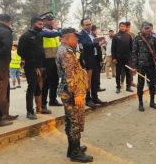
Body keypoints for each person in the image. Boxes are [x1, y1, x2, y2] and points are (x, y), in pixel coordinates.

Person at [56, 28, 93, 163]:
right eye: (75, 37)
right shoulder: (66, 53)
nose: (77, 39)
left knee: (71, 121)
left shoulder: (65, 50)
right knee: (76, 122)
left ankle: (72, 148)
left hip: (68, 91)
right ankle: (75, 153)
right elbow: (69, 76)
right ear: (67, 37)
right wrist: (77, 93)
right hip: (71, 93)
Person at [18, 16, 52, 120]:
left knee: (39, 87)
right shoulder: (25, 36)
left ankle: (40, 108)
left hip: (41, 65)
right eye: (40, 24)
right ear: (33, 24)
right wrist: (31, 58)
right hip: (31, 66)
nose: (42, 26)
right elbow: (20, 52)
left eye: (42, 24)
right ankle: (30, 111)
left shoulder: (39, 35)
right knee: (31, 88)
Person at [78, 18, 107, 108]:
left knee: (95, 79)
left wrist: (100, 59)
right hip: (87, 59)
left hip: (96, 59)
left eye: (90, 24)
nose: (89, 26)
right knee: (88, 80)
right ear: (82, 26)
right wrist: (98, 43)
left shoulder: (93, 34)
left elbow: (97, 47)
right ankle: (88, 99)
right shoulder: (81, 35)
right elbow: (85, 45)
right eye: (86, 24)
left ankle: (95, 97)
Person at [132, 22, 156, 111]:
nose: (147, 29)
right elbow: (134, 53)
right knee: (140, 84)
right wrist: (134, 66)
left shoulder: (152, 39)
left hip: (151, 65)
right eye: (145, 28)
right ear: (141, 28)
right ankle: (140, 103)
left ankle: (152, 102)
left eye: (148, 28)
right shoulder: (137, 39)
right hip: (141, 65)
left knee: (152, 83)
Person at [40, 12, 63, 109]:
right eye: (49, 19)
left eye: (52, 19)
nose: (51, 21)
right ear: (44, 20)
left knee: (55, 80)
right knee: (46, 82)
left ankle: (53, 99)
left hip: (55, 59)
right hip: (46, 59)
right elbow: (47, 35)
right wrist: (60, 32)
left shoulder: (53, 30)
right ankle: (43, 103)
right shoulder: (42, 30)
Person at [112, 22, 134, 93]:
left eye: (124, 26)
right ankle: (118, 87)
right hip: (118, 58)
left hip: (127, 58)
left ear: (125, 27)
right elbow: (113, 48)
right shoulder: (115, 36)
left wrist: (132, 57)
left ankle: (128, 87)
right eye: (121, 26)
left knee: (128, 73)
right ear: (119, 27)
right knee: (118, 73)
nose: (123, 27)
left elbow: (132, 47)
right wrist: (114, 58)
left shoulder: (128, 36)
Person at [120, 21, 136, 88]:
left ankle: (131, 81)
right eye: (127, 27)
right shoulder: (121, 34)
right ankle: (122, 82)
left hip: (130, 54)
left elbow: (134, 44)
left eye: (129, 27)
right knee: (124, 68)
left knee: (131, 68)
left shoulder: (132, 34)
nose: (128, 28)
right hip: (123, 54)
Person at [91, 24, 105, 92]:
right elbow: (98, 49)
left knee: (96, 73)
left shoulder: (94, 37)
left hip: (95, 56)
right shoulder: (94, 38)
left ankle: (97, 86)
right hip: (95, 57)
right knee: (96, 73)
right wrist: (100, 60)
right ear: (95, 30)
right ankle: (96, 87)